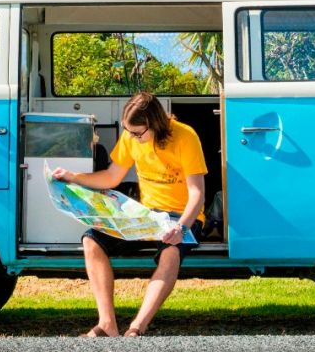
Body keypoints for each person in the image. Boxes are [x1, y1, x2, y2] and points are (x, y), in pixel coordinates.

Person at [52, 90, 207, 338]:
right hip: (147, 215)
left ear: (154, 123)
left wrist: (181, 228)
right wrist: (72, 177)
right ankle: (107, 325)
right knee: (91, 240)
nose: (132, 137)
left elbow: (197, 193)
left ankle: (137, 328)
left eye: (137, 132)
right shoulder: (131, 136)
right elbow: (112, 177)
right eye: (129, 131)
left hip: (183, 217)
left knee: (170, 253)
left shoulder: (185, 136)